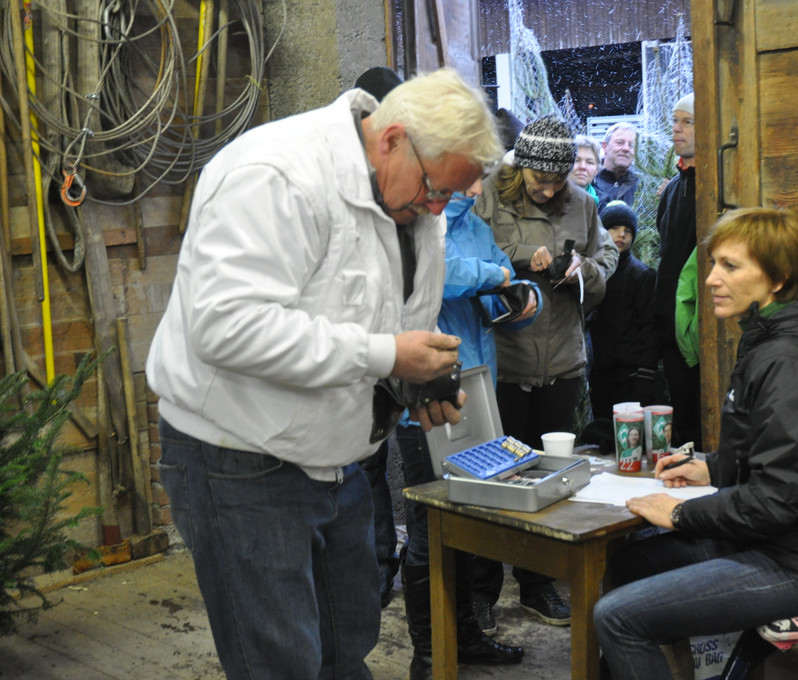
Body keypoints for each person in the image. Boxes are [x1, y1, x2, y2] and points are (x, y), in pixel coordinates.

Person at [145, 67, 503, 680]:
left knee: (347, 647)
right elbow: (227, 327)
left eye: (451, 195)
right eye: (434, 189)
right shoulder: (275, 175)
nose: (438, 207)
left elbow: (379, 312)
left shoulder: (414, 199)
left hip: (338, 459)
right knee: (280, 662)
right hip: (241, 456)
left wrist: (412, 382)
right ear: (391, 140)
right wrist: (386, 355)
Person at [593, 207, 798, 680]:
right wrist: (713, 467)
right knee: (629, 562)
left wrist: (681, 513)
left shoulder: (790, 360)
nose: (711, 280)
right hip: (775, 541)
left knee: (616, 617)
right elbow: (774, 455)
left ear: (777, 279)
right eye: (713, 264)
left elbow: (777, 500)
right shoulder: (769, 335)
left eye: (730, 266)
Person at [470, 115, 618, 630]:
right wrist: (517, 259)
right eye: (540, 180)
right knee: (495, 482)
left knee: (550, 480)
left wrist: (584, 271)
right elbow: (465, 256)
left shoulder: (583, 204)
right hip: (503, 363)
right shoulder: (489, 195)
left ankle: (537, 585)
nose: (550, 189)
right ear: (522, 167)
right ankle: (481, 594)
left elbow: (607, 258)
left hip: (561, 363)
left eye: (558, 181)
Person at [396, 186, 541, 679]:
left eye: (482, 177)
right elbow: (440, 274)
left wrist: (527, 300)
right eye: (469, 177)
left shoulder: (477, 228)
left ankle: (465, 637)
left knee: (467, 523)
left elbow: (503, 288)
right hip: (424, 404)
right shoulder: (417, 225)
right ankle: (428, 652)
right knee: (429, 529)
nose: (477, 188)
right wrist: (496, 276)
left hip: (477, 395)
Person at [351, 65, 405, 611]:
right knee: (365, 470)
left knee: (368, 468)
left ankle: (379, 568)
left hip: (382, 352)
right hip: (361, 351)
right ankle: (375, 568)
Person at [654, 93, 701, 450]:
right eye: (674, 121)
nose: (676, 129)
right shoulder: (673, 189)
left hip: (700, 327)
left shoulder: (715, 187)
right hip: (671, 325)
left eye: (687, 122)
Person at [586, 200, 660, 420]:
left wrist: (646, 372)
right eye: (614, 228)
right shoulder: (594, 273)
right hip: (599, 371)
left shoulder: (641, 276)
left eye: (628, 230)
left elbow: (650, 327)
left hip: (631, 374)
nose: (621, 235)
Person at [593, 121, 639, 212]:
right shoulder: (589, 181)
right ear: (605, 147)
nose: (626, 148)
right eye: (620, 142)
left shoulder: (642, 186)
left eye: (631, 145)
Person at [571, 134, 601, 203]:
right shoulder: (551, 197)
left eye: (589, 162)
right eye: (576, 160)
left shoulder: (604, 203)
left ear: (596, 170)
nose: (583, 167)